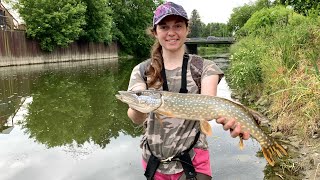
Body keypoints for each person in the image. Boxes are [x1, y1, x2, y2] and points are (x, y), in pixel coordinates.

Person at [126, 2, 250, 180]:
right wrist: (139, 103)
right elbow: (136, 118)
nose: (171, 32)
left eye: (178, 26)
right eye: (164, 27)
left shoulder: (204, 68)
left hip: (193, 162)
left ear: (187, 29)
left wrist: (232, 115)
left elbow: (208, 109)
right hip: (154, 162)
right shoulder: (143, 70)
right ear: (155, 32)